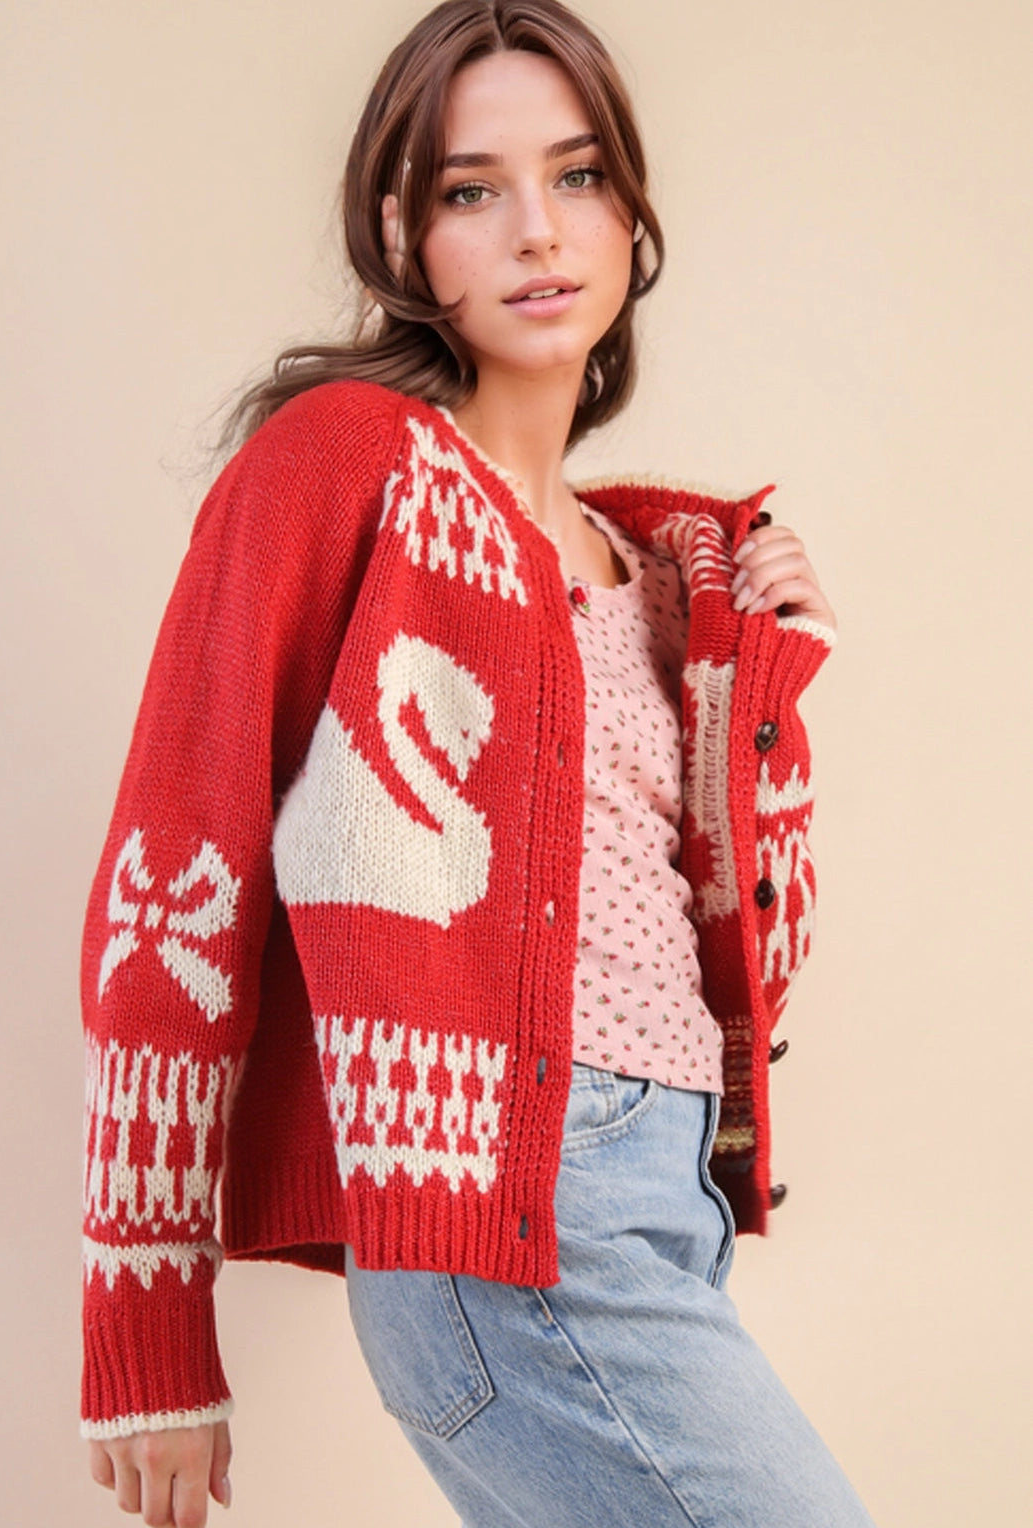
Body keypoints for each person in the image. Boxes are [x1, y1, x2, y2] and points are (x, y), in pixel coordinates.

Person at [82, 2, 875, 1524]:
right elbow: (174, 874)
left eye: (578, 176)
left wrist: (768, 686)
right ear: (404, 234)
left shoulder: (663, 570)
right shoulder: (348, 463)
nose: (537, 231)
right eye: (471, 189)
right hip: (509, 1210)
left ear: (631, 212)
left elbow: (743, 977)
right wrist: (146, 1323)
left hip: (667, 1207)